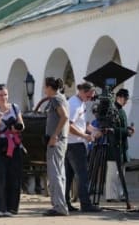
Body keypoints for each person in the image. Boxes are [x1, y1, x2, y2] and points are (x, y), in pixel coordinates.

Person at [0, 84, 24, 217]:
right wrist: (0, 117)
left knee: (14, 176)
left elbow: (21, 125)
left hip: (14, 146)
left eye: (5, 94)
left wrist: (16, 128)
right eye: (0, 95)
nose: (3, 97)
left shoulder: (14, 107)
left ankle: (12, 208)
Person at [65, 82, 101, 212]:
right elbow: (68, 126)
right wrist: (85, 136)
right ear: (83, 92)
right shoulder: (74, 104)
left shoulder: (79, 103)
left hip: (71, 144)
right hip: (76, 144)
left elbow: (82, 123)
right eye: (89, 95)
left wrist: (94, 130)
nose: (91, 98)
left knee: (69, 176)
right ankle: (85, 204)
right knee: (83, 175)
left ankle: (66, 203)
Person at [43, 77, 69, 216]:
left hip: (56, 141)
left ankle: (59, 206)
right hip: (61, 140)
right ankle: (60, 204)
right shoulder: (62, 98)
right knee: (60, 173)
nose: (44, 90)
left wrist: (54, 135)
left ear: (49, 87)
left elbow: (64, 117)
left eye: (45, 87)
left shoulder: (55, 99)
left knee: (55, 174)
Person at [105, 88, 135, 202]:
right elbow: (112, 129)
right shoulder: (113, 110)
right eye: (125, 99)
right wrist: (126, 131)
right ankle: (111, 195)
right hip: (114, 145)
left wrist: (128, 130)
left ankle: (120, 194)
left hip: (122, 146)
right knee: (113, 173)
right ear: (119, 97)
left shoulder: (121, 110)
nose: (126, 101)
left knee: (121, 172)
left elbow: (121, 127)